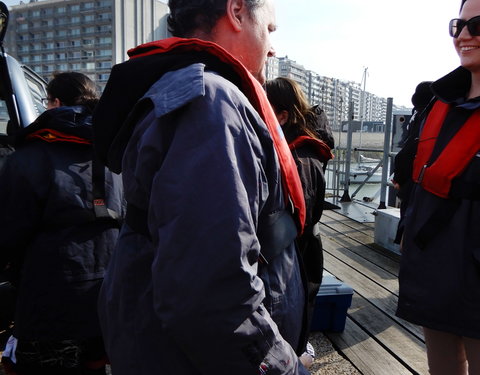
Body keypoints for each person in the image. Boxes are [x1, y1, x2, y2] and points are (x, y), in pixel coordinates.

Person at [95, 1, 310, 374]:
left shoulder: (190, 91)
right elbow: (211, 294)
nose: (273, 46)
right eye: (271, 28)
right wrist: (282, 366)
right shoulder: (211, 105)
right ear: (237, 11)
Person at [0, 72, 124, 375]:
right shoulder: (117, 149)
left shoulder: (28, 157)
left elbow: (8, 234)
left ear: (54, 103)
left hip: (49, 305)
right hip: (110, 298)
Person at [396, 0, 480, 373]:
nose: (463, 36)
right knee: (443, 367)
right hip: (435, 263)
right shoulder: (437, 104)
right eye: (457, 26)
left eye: (476, 26)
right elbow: (415, 178)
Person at [266, 77, 333, 368]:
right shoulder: (298, 147)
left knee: (291, 323)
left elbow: (295, 219)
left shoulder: (300, 158)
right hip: (302, 251)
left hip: (297, 256)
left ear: (282, 116)